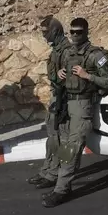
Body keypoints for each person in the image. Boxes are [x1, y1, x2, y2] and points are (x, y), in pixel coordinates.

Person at [42, 17, 108, 208]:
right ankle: (63, 184)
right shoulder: (68, 54)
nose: (75, 36)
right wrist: (59, 75)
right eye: (72, 32)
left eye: (79, 32)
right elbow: (59, 78)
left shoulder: (96, 55)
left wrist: (87, 75)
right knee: (65, 146)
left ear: (86, 32)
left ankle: (61, 189)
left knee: (72, 148)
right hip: (67, 104)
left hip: (83, 106)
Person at [27, 15, 72, 191]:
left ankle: (58, 175)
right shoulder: (57, 50)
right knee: (53, 138)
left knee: (63, 141)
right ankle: (49, 170)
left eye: (47, 32)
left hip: (65, 99)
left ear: (55, 31)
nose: (45, 36)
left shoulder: (67, 50)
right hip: (57, 97)